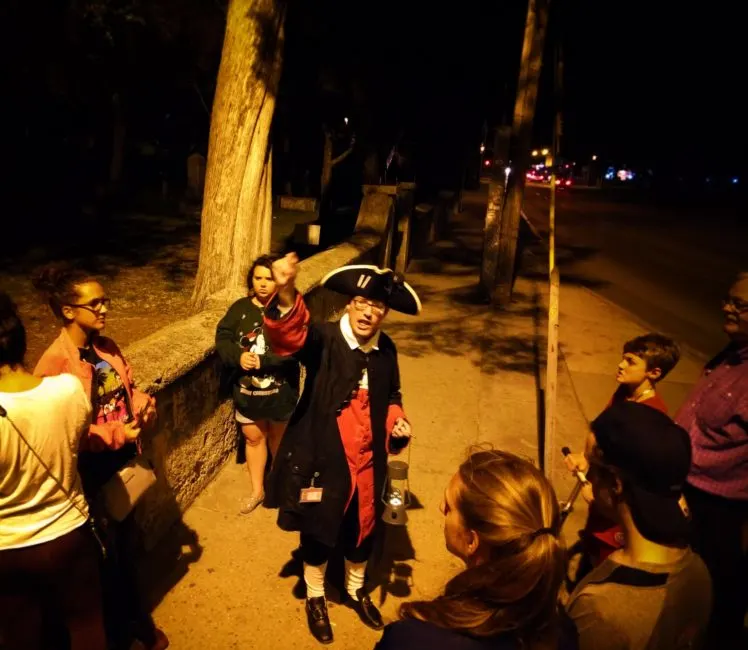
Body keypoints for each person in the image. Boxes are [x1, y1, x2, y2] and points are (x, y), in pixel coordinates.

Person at [264, 254, 419, 644]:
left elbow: (392, 395)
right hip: (323, 455)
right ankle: (315, 596)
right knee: (318, 530)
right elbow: (290, 336)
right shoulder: (326, 339)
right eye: (363, 303)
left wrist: (396, 421)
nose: (368, 313)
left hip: (370, 461)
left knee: (362, 528)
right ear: (350, 303)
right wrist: (285, 292)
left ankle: (355, 588)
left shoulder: (387, 351)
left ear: (385, 313)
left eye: (378, 306)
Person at [32, 266, 168, 650]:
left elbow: (128, 388)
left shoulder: (106, 347)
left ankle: (133, 624)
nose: (104, 308)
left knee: (126, 549)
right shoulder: (55, 365)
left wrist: (143, 406)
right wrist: (114, 434)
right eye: (95, 303)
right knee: (106, 562)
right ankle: (129, 630)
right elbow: (63, 431)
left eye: (104, 299)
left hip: (125, 462)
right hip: (93, 476)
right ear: (68, 310)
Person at [375, 448, 575, 650]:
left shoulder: (411, 640)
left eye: (449, 507)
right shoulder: (563, 631)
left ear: (472, 540)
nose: (440, 507)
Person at [0, 292, 107, 650]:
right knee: (88, 625)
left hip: (10, 548)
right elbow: (76, 438)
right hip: (70, 532)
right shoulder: (67, 390)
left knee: (21, 635)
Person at [566, 401, 712, 650]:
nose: (587, 477)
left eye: (592, 466)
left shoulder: (601, 607)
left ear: (615, 483)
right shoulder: (699, 572)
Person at [675, 272, 748, 649]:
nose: (726, 307)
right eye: (728, 299)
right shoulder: (731, 355)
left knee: (721, 596)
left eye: (740, 304)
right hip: (691, 494)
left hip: (722, 512)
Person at [564, 333, 680, 569]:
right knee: (592, 550)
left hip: (615, 509)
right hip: (601, 497)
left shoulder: (651, 417)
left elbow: (634, 476)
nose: (620, 365)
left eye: (630, 361)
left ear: (654, 373)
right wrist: (586, 461)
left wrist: (600, 493)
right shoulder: (623, 394)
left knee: (606, 563)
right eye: (622, 358)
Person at [215, 254, 300, 514]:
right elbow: (223, 336)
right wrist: (237, 356)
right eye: (258, 278)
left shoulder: (289, 309)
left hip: (279, 393)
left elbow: (296, 348)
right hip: (247, 393)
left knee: (278, 438)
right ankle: (257, 490)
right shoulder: (240, 308)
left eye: (269, 278)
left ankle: (279, 487)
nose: (263, 284)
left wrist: (263, 362)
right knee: (253, 438)